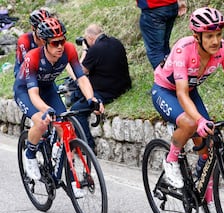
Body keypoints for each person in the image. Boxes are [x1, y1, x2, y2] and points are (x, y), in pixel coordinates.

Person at [151, 7, 224, 213]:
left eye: (219, 35)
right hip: (166, 91)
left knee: (209, 146)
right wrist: (199, 119)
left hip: (191, 91)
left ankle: (204, 193)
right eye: (210, 36)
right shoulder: (182, 50)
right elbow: (181, 93)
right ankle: (171, 160)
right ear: (197, 36)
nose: (215, 41)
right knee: (190, 123)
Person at [13, 17, 103, 196]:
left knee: (67, 130)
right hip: (26, 91)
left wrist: (92, 99)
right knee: (41, 121)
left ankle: (72, 181)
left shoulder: (69, 50)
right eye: (55, 43)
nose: (60, 46)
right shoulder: (33, 57)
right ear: (45, 43)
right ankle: (30, 155)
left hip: (48, 89)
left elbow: (81, 78)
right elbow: (33, 95)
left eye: (62, 40)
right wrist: (45, 110)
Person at [70, 24, 132, 152]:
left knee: (76, 110)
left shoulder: (95, 50)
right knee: (77, 95)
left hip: (105, 92)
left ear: (89, 38)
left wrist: (85, 51)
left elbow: (80, 72)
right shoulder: (116, 42)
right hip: (122, 86)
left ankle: (87, 146)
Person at [137, 0, 187, 69]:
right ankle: (176, 75)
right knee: (164, 47)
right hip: (171, 5)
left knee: (156, 51)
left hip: (154, 8)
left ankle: (165, 78)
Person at [13, 9, 51, 77]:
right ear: (33, 27)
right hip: (24, 72)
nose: (45, 32)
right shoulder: (24, 40)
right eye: (41, 28)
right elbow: (27, 64)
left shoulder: (50, 37)